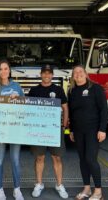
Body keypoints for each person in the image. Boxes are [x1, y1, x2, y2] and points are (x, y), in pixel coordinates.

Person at [28, 64, 69, 199]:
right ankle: (39, 184)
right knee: (40, 158)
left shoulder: (58, 90)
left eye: (49, 73)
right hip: (38, 130)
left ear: (52, 75)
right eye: (44, 73)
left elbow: (65, 108)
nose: (46, 75)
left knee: (57, 158)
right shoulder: (34, 90)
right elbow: (27, 110)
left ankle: (59, 184)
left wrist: (64, 126)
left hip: (54, 129)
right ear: (41, 74)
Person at [68, 65, 108, 200]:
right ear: (73, 76)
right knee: (83, 160)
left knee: (91, 159)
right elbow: (73, 113)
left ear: (86, 74)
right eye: (75, 73)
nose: (78, 74)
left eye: (80, 72)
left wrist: (102, 129)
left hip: (93, 130)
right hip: (78, 131)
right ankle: (86, 188)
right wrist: (71, 130)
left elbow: (104, 110)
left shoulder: (96, 88)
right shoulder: (72, 91)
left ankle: (98, 192)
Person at [0, 60, 25, 200]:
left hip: (15, 129)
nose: (4, 71)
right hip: (0, 129)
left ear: (9, 70)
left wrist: (18, 98)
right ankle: (0, 190)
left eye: (6, 69)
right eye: (1, 69)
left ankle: (17, 190)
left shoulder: (16, 86)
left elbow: (25, 105)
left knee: (15, 160)